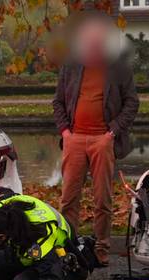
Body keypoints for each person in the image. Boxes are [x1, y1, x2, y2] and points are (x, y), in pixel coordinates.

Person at [53, 12, 139, 266]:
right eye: (89, 42)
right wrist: (66, 133)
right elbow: (57, 102)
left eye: (98, 42)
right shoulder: (71, 66)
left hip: (103, 141)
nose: (93, 46)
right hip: (74, 140)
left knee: (103, 199)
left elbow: (132, 103)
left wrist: (112, 132)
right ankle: (69, 248)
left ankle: (102, 249)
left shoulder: (119, 68)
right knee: (69, 198)